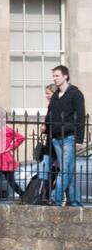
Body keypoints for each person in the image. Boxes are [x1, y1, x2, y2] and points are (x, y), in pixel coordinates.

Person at [45, 65, 85, 207]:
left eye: (57, 76)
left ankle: (55, 198)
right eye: (54, 76)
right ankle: (74, 202)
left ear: (65, 76)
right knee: (69, 171)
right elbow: (49, 114)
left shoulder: (76, 94)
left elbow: (81, 117)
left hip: (69, 137)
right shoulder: (55, 96)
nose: (54, 79)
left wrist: (79, 140)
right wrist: (46, 127)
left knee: (66, 169)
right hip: (56, 138)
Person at [0, 108, 24, 202]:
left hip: (6, 159)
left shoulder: (8, 130)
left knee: (11, 181)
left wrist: (11, 147)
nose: (1, 120)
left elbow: (21, 138)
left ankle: (23, 195)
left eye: (2, 118)